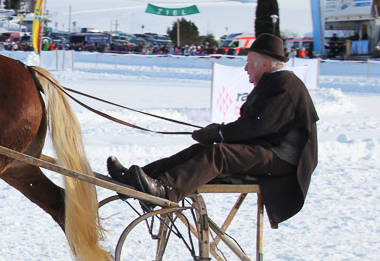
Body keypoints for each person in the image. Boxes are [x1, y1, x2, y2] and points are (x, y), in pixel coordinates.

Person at [107, 33, 319, 228]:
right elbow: (254, 126)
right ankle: (139, 179)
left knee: (219, 154)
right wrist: (215, 134)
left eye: (248, 63)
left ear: (264, 63)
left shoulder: (284, 85)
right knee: (199, 150)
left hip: (282, 159)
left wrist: (219, 134)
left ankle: (166, 190)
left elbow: (255, 126)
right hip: (268, 150)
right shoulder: (274, 83)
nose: (246, 69)